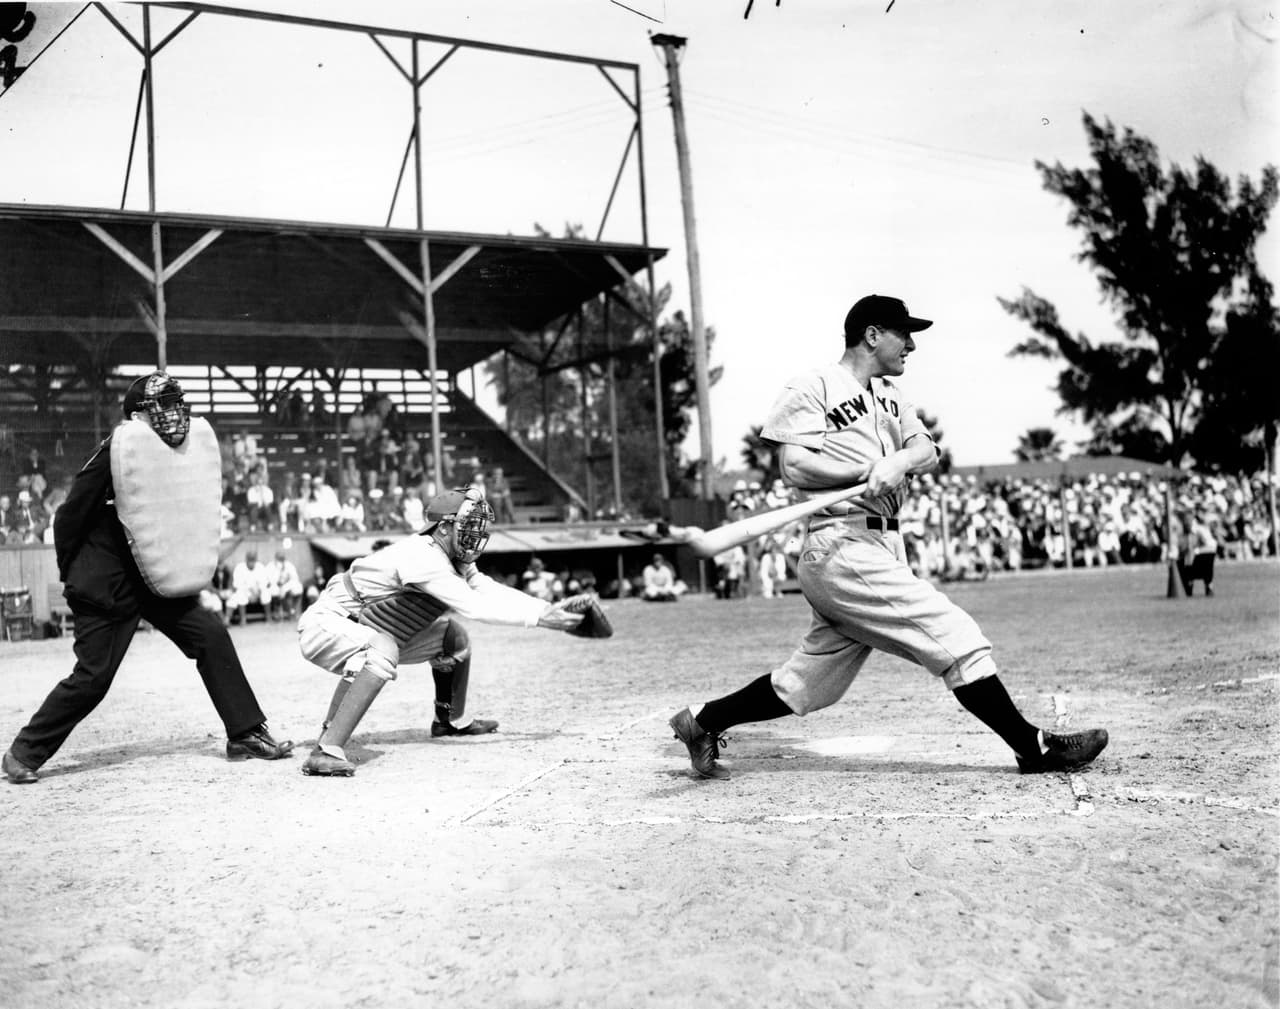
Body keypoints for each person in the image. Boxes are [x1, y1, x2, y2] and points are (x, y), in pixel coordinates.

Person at [666, 295, 1108, 780]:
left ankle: (701, 721)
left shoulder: (892, 396)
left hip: (881, 547)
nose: (912, 345)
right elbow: (795, 465)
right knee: (954, 635)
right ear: (872, 335)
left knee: (809, 684)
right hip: (840, 544)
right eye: (903, 333)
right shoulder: (813, 385)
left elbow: (926, 450)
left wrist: (896, 461)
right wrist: (864, 470)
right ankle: (1031, 747)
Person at [2, 371, 292, 785]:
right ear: (140, 415)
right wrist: (76, 574)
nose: (174, 413)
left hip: (155, 575)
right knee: (94, 676)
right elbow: (69, 518)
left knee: (210, 636)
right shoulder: (118, 450)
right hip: (107, 583)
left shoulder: (180, 456)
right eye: (164, 405)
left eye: (177, 403)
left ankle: (245, 733)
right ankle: (22, 753)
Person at [295, 486, 589, 777]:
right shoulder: (423, 556)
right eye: (468, 524)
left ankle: (449, 719)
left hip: (364, 625)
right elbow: (474, 606)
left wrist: (546, 608)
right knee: (381, 649)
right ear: (444, 527)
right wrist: (540, 619)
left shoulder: (453, 557)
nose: (476, 532)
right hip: (327, 624)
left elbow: (486, 588)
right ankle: (326, 748)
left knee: (453, 638)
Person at [1177, 508, 1218, 597]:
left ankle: (1208, 586)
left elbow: (1210, 545)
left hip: (1197, 561)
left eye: (1189, 520)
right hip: (1184, 563)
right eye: (1186, 520)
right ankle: (1188, 586)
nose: (1187, 522)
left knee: (1208, 558)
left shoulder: (1198, 533)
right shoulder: (1179, 535)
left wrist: (1197, 550)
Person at [228, 549, 275, 624]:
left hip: (257, 592)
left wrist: (257, 592)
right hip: (245, 592)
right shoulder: (239, 567)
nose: (251, 561)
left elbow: (264, 583)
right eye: (250, 559)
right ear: (246, 559)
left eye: (253, 559)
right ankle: (243, 619)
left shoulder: (260, 566)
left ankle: (268, 618)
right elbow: (237, 584)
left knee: (265, 592)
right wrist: (248, 590)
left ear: (256, 559)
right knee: (239, 593)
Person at [266, 549, 304, 621]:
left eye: (282, 559)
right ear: (276, 558)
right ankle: (276, 612)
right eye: (279, 559)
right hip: (275, 587)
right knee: (273, 591)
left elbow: (295, 579)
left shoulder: (289, 565)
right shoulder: (270, 566)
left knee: (298, 588)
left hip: (286, 587)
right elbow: (269, 581)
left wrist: (285, 587)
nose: (281, 561)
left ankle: (294, 611)